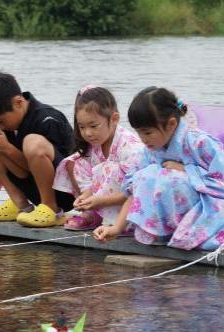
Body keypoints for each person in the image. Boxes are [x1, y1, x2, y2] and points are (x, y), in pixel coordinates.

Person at [94, 87, 224, 250]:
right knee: (145, 175)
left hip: (209, 208)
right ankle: (162, 230)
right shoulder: (150, 151)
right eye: (139, 133)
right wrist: (116, 228)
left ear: (171, 124)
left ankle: (181, 229)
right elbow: (137, 187)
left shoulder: (200, 143)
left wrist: (187, 170)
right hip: (178, 212)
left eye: (148, 133)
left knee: (165, 176)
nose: (143, 139)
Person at [0, 72, 74, 227]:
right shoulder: (9, 123)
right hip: (34, 187)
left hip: (63, 191)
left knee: (33, 143)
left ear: (18, 102)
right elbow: (22, 172)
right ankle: (20, 204)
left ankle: (53, 210)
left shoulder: (47, 119)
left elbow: (46, 168)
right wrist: (1, 148)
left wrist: (6, 148)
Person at [53, 86, 144, 230]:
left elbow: (135, 192)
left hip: (129, 205)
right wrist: (87, 196)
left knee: (110, 167)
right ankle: (93, 213)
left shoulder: (130, 147)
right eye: (82, 127)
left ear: (114, 119)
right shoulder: (96, 143)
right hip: (103, 198)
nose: (88, 133)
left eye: (93, 126)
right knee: (75, 162)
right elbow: (97, 182)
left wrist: (100, 200)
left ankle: (117, 222)